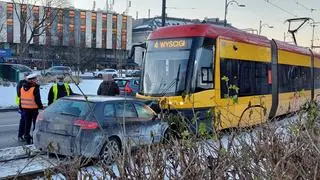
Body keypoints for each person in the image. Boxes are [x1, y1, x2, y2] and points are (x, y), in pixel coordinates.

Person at [19, 73, 43, 144]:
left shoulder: (22, 87)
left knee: (27, 123)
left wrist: (21, 107)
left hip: (25, 109)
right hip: (33, 109)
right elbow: (37, 99)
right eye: (35, 79)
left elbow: (21, 98)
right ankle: (34, 137)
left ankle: (27, 137)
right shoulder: (35, 88)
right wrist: (41, 107)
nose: (36, 80)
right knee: (35, 124)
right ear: (32, 80)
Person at [16, 72, 30, 142]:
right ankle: (20, 135)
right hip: (22, 105)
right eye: (26, 76)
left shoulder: (30, 83)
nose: (27, 78)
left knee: (27, 121)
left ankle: (26, 135)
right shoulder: (21, 83)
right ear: (24, 77)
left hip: (29, 105)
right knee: (23, 120)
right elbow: (19, 94)